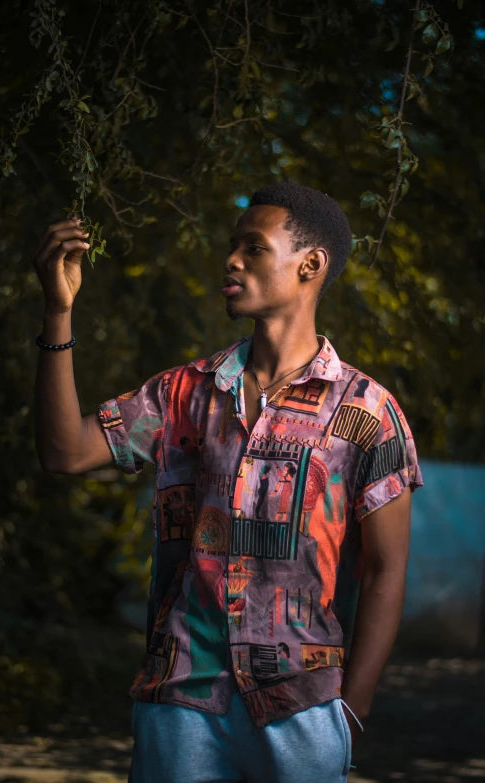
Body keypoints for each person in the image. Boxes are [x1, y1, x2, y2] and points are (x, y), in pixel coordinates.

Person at [32, 181, 424, 783]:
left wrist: (354, 707)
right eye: (230, 245)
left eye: (253, 247)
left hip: (304, 707)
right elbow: (63, 452)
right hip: (182, 698)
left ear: (310, 265)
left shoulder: (368, 412)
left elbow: (386, 570)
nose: (231, 259)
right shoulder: (182, 393)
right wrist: (58, 312)